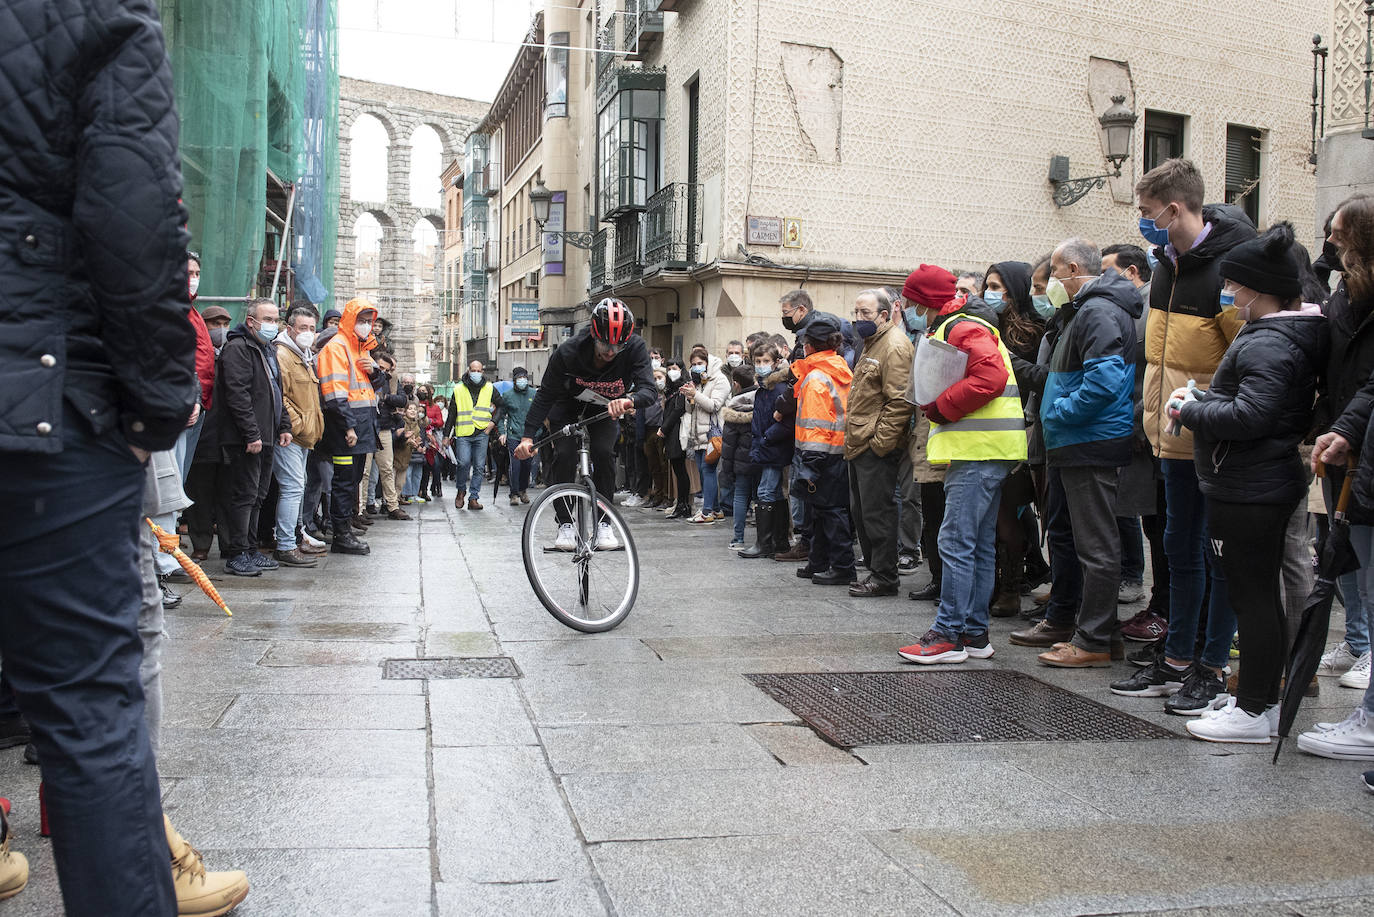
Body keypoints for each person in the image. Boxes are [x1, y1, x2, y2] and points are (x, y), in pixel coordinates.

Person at [0, 0, 249, 911]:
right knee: (88, 712)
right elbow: (135, 210)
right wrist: (155, 406)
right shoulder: (96, 14)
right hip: (40, 404)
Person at [1160, 223, 1326, 742]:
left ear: (1259, 289)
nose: (1229, 294)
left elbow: (1253, 416)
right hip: (1254, 483)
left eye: (1235, 286)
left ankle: (1254, 708)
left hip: (1250, 486)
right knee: (1256, 597)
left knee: (1253, 598)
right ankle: (1259, 700)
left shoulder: (1270, 341)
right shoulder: (1275, 335)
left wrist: (1192, 409)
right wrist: (1206, 403)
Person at [1137, 158, 1256, 715]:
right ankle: (1178, 657)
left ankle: (1212, 665)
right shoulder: (1166, 265)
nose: (1145, 222)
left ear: (1174, 208)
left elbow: (1246, 355)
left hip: (1210, 437)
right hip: (1170, 437)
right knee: (1178, 551)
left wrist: (1205, 411)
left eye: (1147, 212)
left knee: (1215, 557)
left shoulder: (1227, 269)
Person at [898, 265, 1026, 664]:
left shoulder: (961, 327)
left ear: (924, 302)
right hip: (988, 449)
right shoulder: (959, 325)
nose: (905, 308)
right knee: (977, 543)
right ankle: (973, 633)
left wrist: (940, 407)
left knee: (955, 541)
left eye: (909, 301)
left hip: (979, 451)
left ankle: (948, 634)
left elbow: (990, 377)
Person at [1032, 239, 1141, 668]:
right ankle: (1101, 633)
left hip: (1088, 439)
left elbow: (1105, 380)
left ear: (1074, 268)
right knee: (1087, 541)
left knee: (1096, 545)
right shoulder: (1090, 309)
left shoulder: (1096, 310)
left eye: (1056, 273)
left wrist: (1060, 412)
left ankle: (1094, 639)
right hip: (1080, 439)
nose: (1054, 282)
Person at [1301, 193, 1374, 762]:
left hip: (1361, 444)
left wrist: (1347, 426)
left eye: (1341, 235)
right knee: (1343, 553)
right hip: (1345, 443)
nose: (1331, 244)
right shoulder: (1341, 293)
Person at [514, 299, 655, 549]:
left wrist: (629, 400)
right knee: (565, 454)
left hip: (606, 407)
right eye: (604, 344)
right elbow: (545, 395)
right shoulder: (569, 351)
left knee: (604, 453)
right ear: (593, 334)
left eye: (617, 345)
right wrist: (527, 437)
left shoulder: (635, 347)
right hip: (566, 405)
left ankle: (604, 524)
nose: (611, 351)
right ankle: (565, 524)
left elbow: (649, 390)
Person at [1102, 243, 1170, 642]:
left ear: (1131, 273)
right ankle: (1160, 605)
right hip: (1142, 425)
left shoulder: (1149, 307)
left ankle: (1163, 607)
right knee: (1153, 524)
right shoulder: (1137, 307)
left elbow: (1151, 370)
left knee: (1162, 528)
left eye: (1109, 271)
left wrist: (1139, 417)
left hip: (1154, 427)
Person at [981, 261, 1043, 617]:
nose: (993, 294)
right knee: (991, 517)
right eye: (989, 286)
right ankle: (997, 585)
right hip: (987, 429)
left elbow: (1032, 377)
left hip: (1020, 430)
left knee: (1009, 516)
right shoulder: (985, 325)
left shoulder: (1033, 329)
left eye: (999, 287)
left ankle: (1011, 588)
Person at [845, 289, 915, 597]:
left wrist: (881, 443)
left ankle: (885, 577)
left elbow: (899, 401)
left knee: (878, 514)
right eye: (856, 312)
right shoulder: (873, 341)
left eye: (865, 313)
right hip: (860, 441)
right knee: (863, 513)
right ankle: (875, 571)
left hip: (875, 445)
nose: (859, 319)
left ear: (885, 315)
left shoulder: (895, 345)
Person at [216, 298, 292, 577]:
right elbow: (238, 395)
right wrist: (251, 433)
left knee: (258, 495)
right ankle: (236, 553)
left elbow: (276, 393)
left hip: (268, 434)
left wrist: (283, 425)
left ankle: (250, 549)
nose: (273, 325)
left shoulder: (267, 349)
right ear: (252, 321)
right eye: (268, 319)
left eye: (275, 319)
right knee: (244, 494)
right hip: (246, 438)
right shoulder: (238, 348)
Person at [791, 317, 856, 585]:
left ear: (808, 347)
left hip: (821, 453)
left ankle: (842, 567)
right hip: (838, 451)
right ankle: (818, 562)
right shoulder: (839, 368)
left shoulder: (816, 377)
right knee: (822, 512)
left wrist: (811, 461)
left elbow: (816, 421)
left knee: (830, 512)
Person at [316, 299, 381, 556]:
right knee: (344, 481)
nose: (366, 326)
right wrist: (348, 427)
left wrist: (376, 372)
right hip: (347, 426)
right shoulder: (338, 347)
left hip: (361, 424)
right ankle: (340, 534)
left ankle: (344, 529)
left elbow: (371, 387)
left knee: (352, 479)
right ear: (351, 320)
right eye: (362, 320)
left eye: (369, 321)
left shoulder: (360, 348)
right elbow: (334, 395)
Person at [271, 307, 326, 565]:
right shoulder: (283, 354)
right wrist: (297, 424)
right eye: (302, 328)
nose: (307, 333)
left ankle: (296, 536)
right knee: (293, 486)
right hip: (290, 434)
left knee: (298, 484)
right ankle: (285, 544)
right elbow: (279, 395)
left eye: (312, 329)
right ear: (290, 328)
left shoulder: (303, 355)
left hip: (302, 434)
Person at [741, 339, 795, 558]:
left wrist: (766, 438)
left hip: (774, 447)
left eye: (766, 361)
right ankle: (778, 541)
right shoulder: (763, 389)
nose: (761, 364)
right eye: (758, 361)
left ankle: (765, 543)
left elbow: (785, 421)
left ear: (775, 362)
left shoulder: (778, 388)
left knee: (765, 491)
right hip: (767, 446)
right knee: (774, 493)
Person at [681, 346, 731, 524]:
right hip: (698, 435)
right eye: (693, 364)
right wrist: (689, 397)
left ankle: (707, 511)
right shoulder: (698, 381)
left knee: (708, 471)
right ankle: (716, 509)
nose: (696, 367)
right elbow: (690, 409)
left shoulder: (719, 380)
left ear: (708, 363)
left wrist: (696, 394)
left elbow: (714, 405)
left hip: (713, 434)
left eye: (700, 363)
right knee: (704, 472)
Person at [445, 360, 504, 511]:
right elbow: (452, 414)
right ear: (468, 371)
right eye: (473, 370)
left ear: (482, 372)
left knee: (479, 467)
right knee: (463, 463)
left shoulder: (490, 388)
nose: (476, 373)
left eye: (479, 370)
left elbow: (502, 406)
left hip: (482, 432)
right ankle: (461, 490)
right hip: (463, 433)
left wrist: (493, 423)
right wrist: (446, 435)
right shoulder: (458, 389)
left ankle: (473, 498)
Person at [721, 364, 759, 549]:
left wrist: (726, 472)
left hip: (741, 462)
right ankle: (764, 538)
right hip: (761, 458)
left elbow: (729, 444)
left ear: (736, 384)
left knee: (741, 496)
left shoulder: (734, 407)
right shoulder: (762, 400)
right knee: (762, 498)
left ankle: (738, 538)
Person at [660, 359, 694, 519]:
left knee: (680, 470)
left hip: (676, 431)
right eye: (669, 368)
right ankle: (680, 504)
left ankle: (683, 504)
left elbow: (678, 410)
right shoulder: (671, 388)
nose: (671, 371)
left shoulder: (683, 387)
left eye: (674, 368)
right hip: (671, 432)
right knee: (678, 469)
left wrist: (663, 429)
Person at [642, 368, 670, 508]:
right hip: (649, 430)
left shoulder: (667, 394)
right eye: (654, 378)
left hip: (661, 430)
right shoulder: (650, 396)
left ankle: (666, 496)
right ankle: (657, 495)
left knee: (663, 464)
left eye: (659, 377)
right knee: (653, 466)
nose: (657, 381)